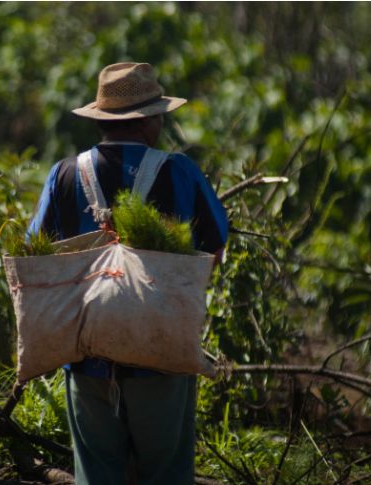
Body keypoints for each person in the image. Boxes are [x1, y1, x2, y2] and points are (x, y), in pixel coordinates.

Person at [27, 62, 228, 485]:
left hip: (86, 359)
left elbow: (35, 254)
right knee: (166, 475)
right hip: (163, 358)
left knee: (96, 475)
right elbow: (215, 247)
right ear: (149, 119)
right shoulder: (180, 171)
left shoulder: (63, 175)